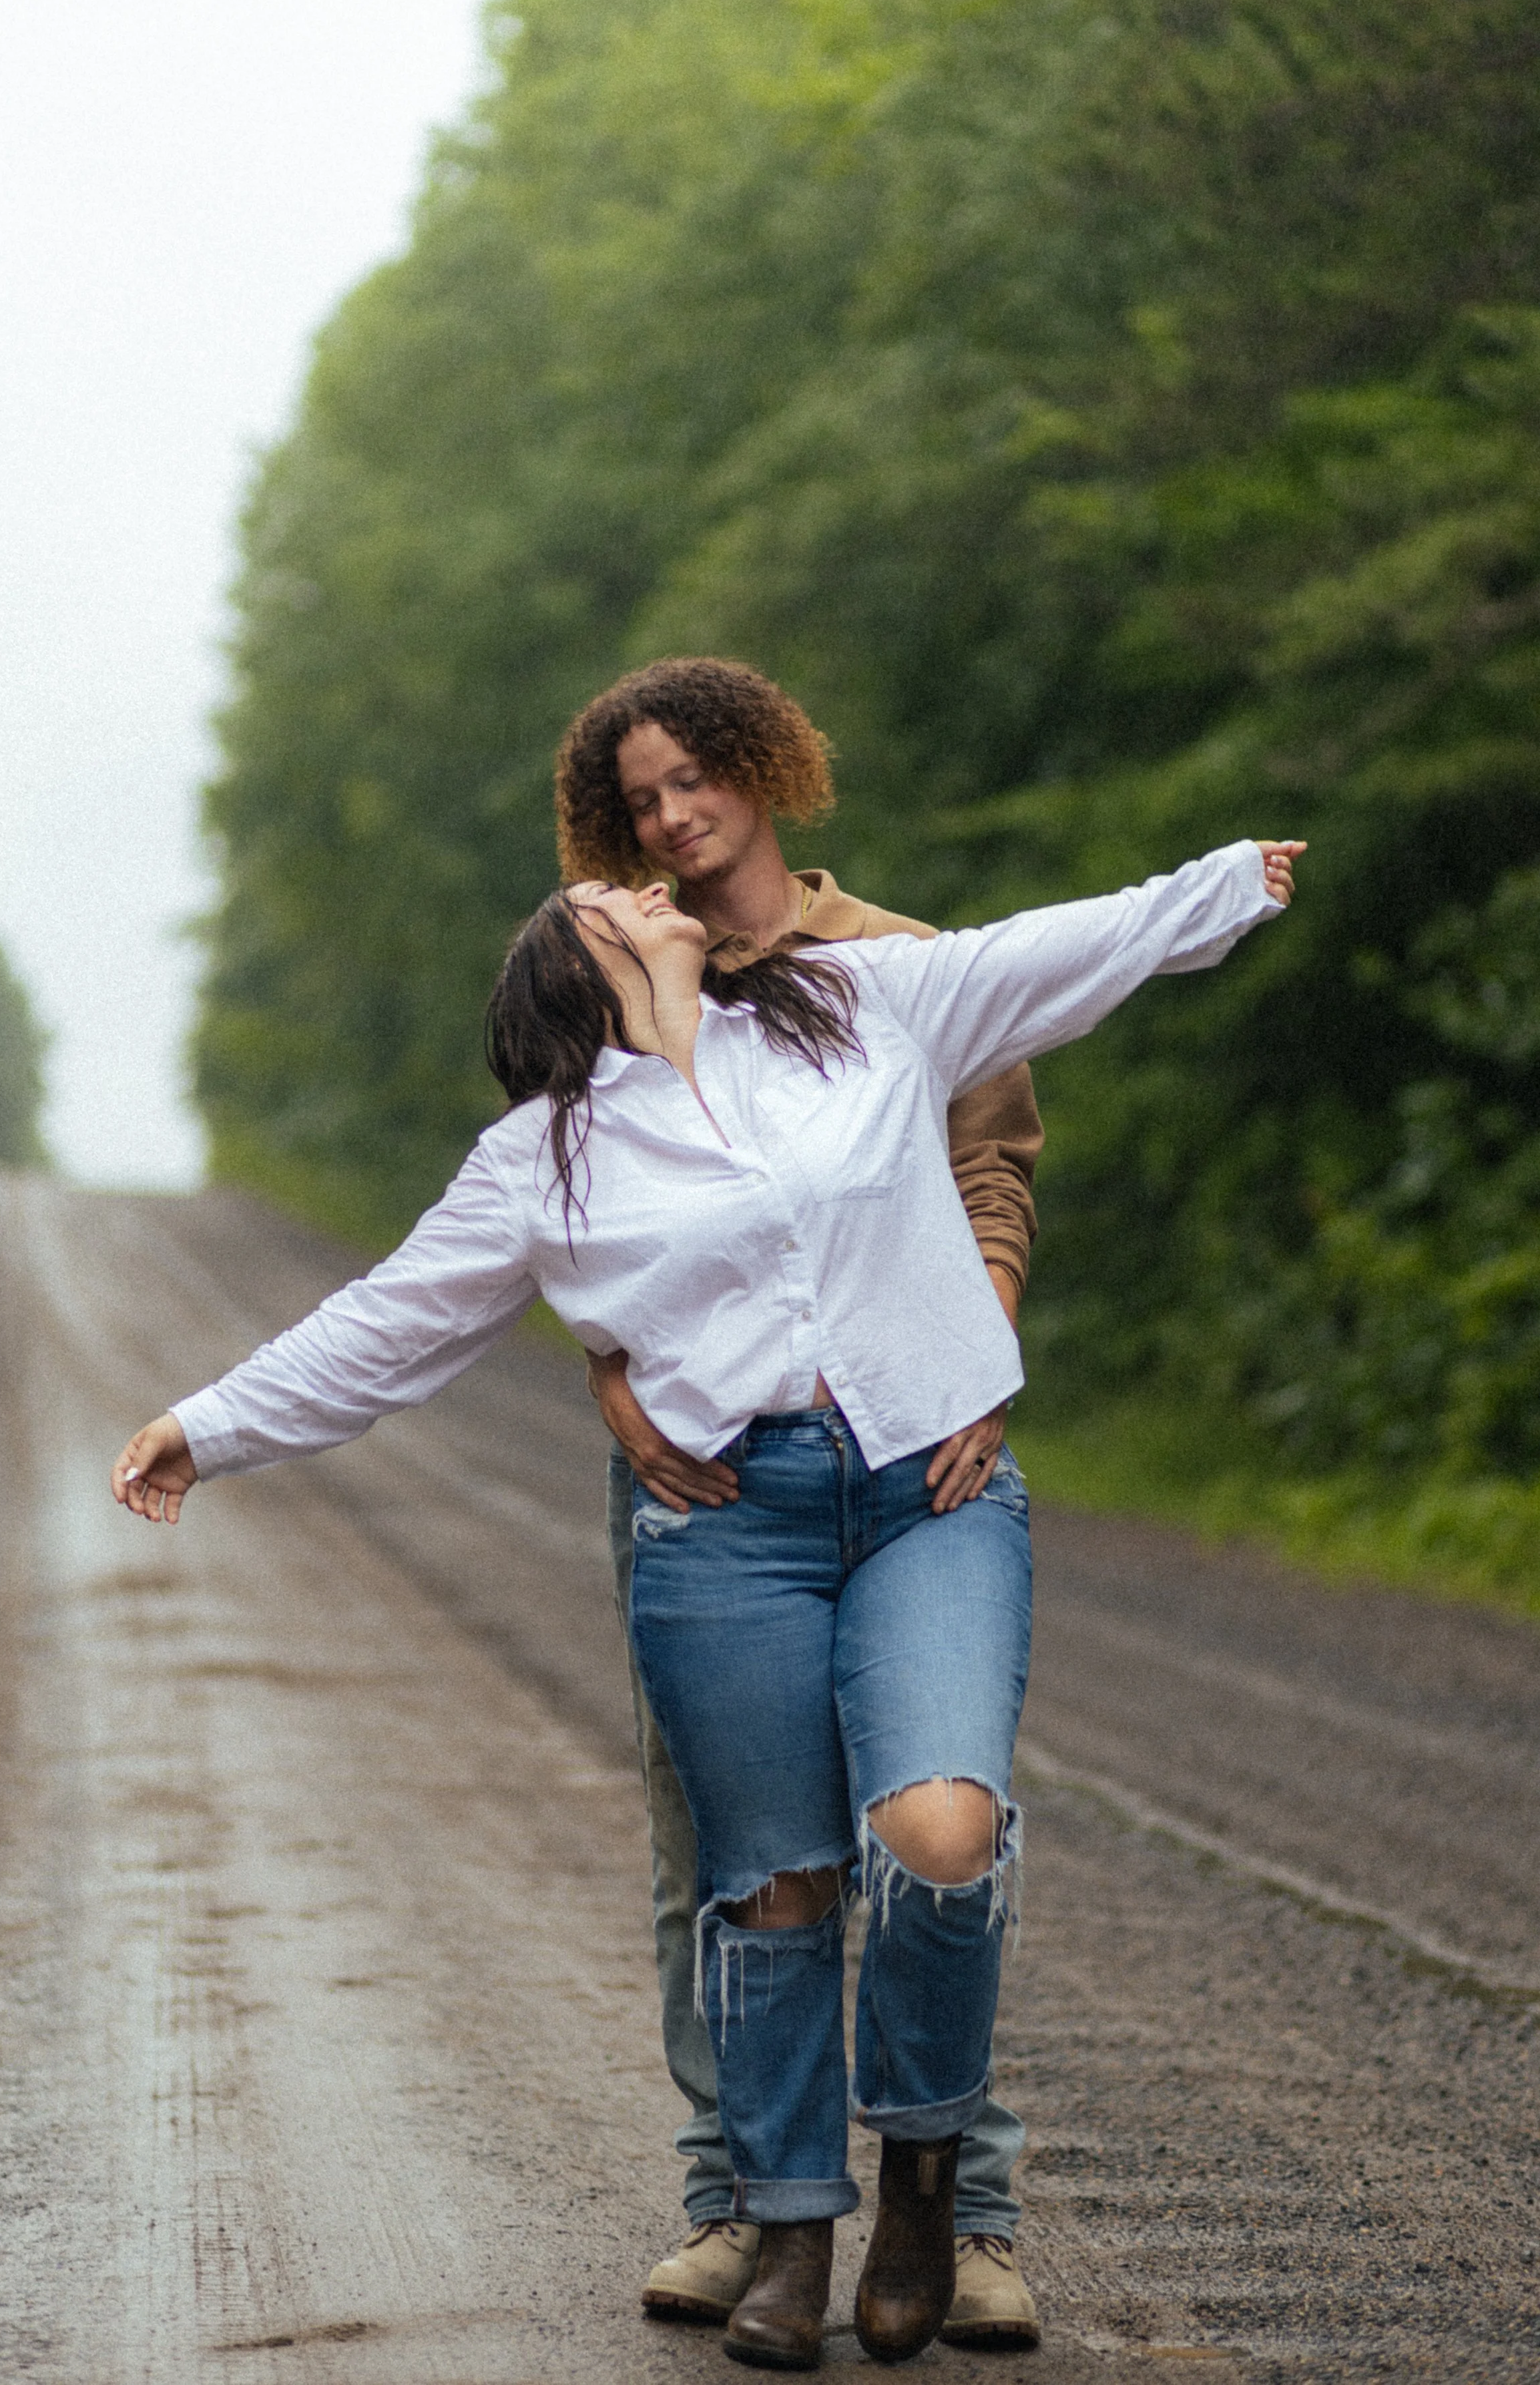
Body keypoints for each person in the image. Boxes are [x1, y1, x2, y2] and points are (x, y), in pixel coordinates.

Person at [113, 825, 1299, 2370]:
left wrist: (1217, 887)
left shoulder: (858, 1006)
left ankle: (928, 2178)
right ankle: (792, 2221)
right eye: (612, 899)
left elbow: (1045, 952)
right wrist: (203, 1428)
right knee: (772, 1886)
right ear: (577, 966)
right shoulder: (544, 1157)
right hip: (727, 1526)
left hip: (923, 1491)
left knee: (937, 1839)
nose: (649, 891)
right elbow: (382, 1326)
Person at [553, 658, 1047, 2344]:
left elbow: (990, 1171)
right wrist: (613, 1383)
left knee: (934, 1835)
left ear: (763, 767)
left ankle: (963, 2215)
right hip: (700, 1466)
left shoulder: (904, 964)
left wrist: (969, 1352)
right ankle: (734, 2203)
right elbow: (579, 1209)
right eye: (643, 802)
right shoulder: (616, 975)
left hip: (910, 1449)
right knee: (718, 1850)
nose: (677, 818)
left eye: (697, 778)